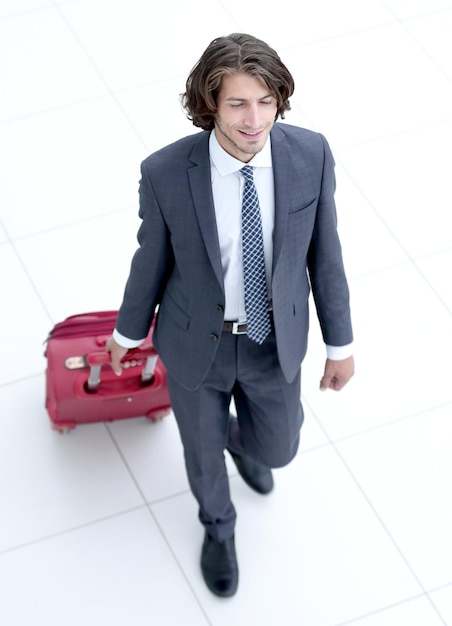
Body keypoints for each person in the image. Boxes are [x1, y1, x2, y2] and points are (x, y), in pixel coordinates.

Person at [107, 33, 354, 598]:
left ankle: (239, 442)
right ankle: (218, 528)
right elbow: (151, 261)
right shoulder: (167, 171)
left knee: (279, 449)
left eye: (266, 101)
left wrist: (339, 345)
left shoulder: (310, 155)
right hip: (198, 344)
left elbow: (326, 256)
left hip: (273, 342)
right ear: (210, 102)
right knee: (201, 453)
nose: (254, 119)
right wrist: (128, 332)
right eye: (238, 103)